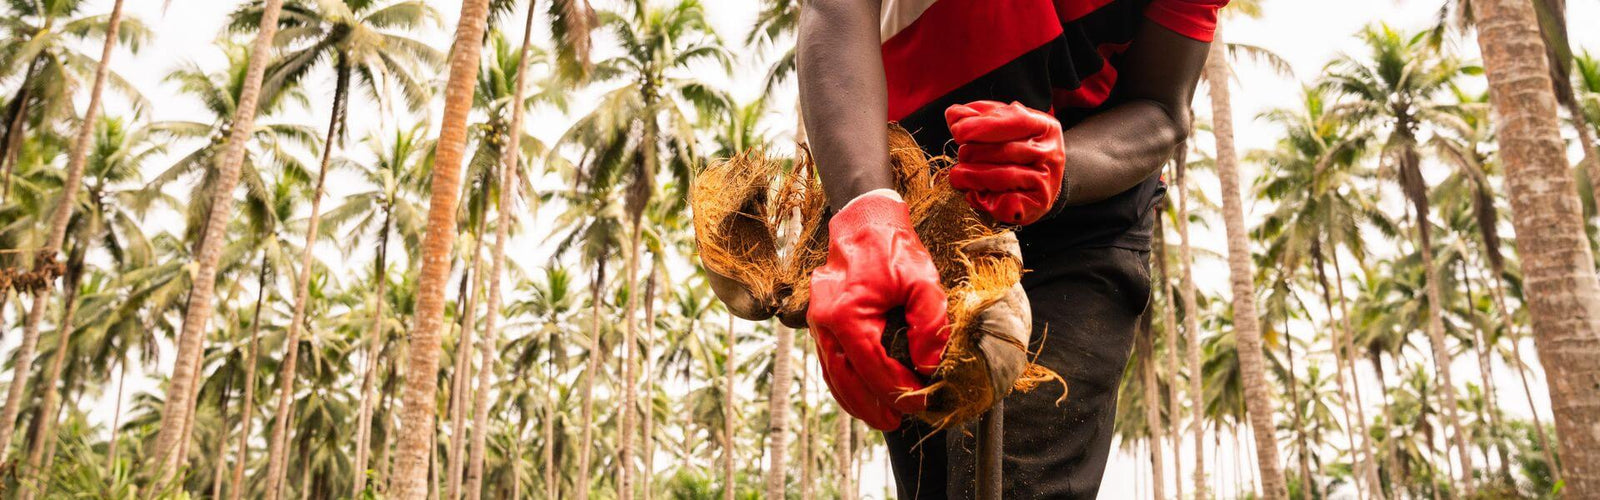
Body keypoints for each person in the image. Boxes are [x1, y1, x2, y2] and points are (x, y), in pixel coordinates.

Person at [797, 0, 1226, 497]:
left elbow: (1162, 110)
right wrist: (865, 213)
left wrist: (1064, 168)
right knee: (936, 484)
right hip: (912, 210)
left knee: (1021, 481)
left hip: (1085, 220)